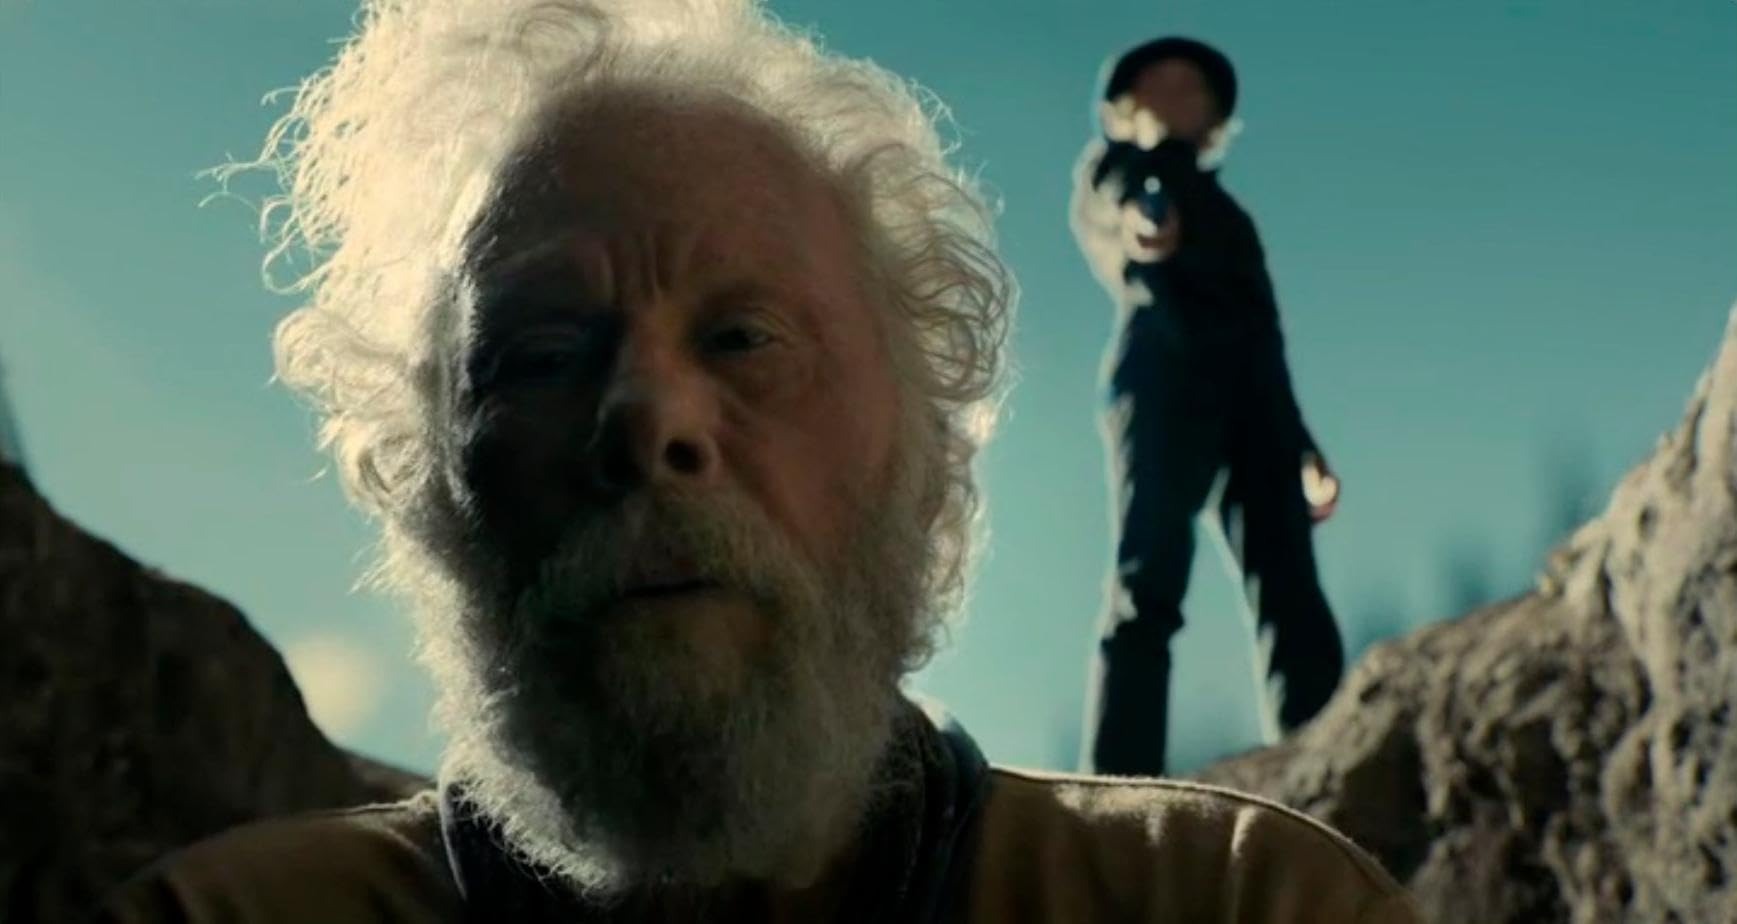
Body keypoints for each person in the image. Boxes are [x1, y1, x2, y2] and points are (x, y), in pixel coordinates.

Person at [100, 4, 1420, 921]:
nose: (651, 422)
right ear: (424, 476)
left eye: (745, 337)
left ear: (929, 448)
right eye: (541, 354)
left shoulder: (1237, 902)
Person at [1072, 38, 1347, 777]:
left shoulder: (1233, 218)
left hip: (1255, 403)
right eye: (1158, 85)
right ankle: (1119, 786)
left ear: (1215, 117)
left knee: (1290, 584)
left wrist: (1300, 439)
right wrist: (1143, 221)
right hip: (1164, 383)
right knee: (1148, 580)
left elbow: (1264, 332)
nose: (1176, 96)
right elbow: (1123, 211)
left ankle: (1323, 761)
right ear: (1128, 107)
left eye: (1191, 88)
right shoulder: (1115, 170)